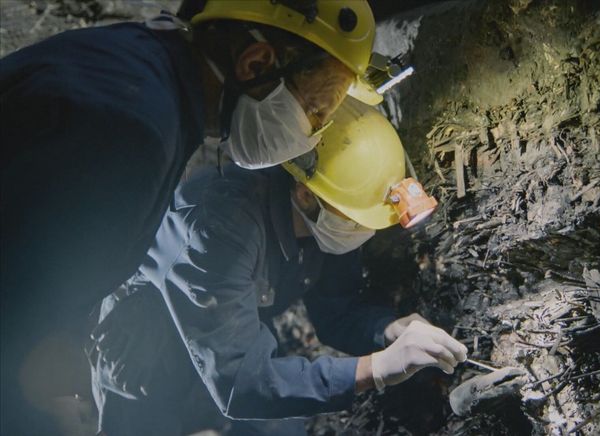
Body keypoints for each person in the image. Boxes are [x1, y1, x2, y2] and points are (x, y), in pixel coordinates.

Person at [0, 1, 385, 432]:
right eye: (316, 109)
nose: (310, 134)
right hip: (141, 371)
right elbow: (16, 294)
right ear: (255, 62)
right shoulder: (133, 132)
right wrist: (32, 405)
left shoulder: (137, 72)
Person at [87, 98, 466, 435]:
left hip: (237, 339)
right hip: (148, 360)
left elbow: (336, 313)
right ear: (304, 193)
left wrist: (387, 330)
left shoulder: (331, 218)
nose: (362, 231)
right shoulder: (215, 231)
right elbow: (242, 385)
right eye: (356, 219)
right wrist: (377, 369)